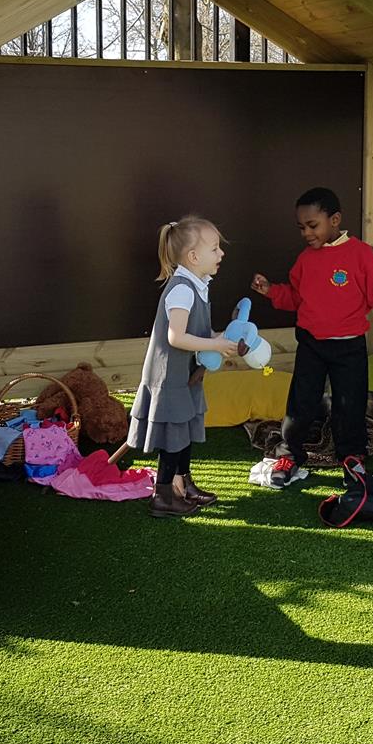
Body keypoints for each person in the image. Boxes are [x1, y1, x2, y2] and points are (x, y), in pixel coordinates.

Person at [250, 187, 373, 490]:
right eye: (301, 227)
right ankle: (289, 455)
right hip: (311, 346)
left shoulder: (360, 254)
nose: (306, 233)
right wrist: (271, 291)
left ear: (335, 219)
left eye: (312, 225)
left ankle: (352, 458)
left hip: (349, 347)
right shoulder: (305, 260)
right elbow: (294, 296)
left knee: (350, 405)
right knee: (300, 403)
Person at [128, 216, 241, 518]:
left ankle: (183, 483)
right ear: (193, 257)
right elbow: (176, 336)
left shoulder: (198, 285)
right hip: (170, 378)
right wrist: (215, 346)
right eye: (215, 249)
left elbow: (198, 333)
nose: (221, 254)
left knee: (186, 430)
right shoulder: (182, 289)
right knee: (173, 437)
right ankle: (163, 494)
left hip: (186, 376)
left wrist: (221, 338)